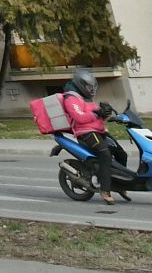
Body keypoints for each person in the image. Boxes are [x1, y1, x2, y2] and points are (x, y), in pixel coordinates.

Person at [58, 67, 122, 205]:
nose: (91, 89)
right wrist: (97, 113)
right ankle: (105, 190)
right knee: (105, 155)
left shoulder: (87, 98)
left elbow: (95, 117)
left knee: (121, 153)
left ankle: (119, 183)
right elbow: (79, 117)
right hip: (85, 133)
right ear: (80, 84)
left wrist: (104, 114)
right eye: (88, 86)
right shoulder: (71, 98)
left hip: (98, 131)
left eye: (92, 86)